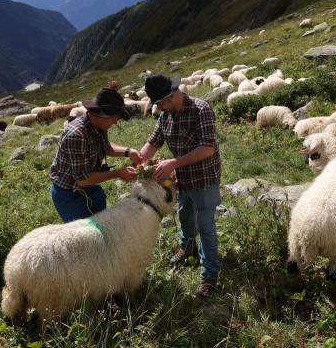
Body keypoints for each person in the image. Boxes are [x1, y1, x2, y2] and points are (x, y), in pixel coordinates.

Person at [139, 74, 222, 298]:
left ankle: (209, 276)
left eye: (160, 103)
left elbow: (207, 149)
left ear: (172, 96)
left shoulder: (201, 110)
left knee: (205, 225)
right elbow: (152, 143)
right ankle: (186, 249)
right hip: (183, 180)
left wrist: (173, 162)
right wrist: (139, 163)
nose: (159, 108)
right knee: (185, 215)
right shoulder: (165, 116)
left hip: (204, 179)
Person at [50, 87, 142, 223]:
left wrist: (128, 152)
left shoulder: (98, 126)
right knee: (85, 236)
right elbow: (82, 179)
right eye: (114, 118)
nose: (116, 122)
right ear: (101, 114)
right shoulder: (77, 135)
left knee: (102, 228)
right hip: (70, 194)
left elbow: (107, 147)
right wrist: (117, 173)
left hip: (90, 186)